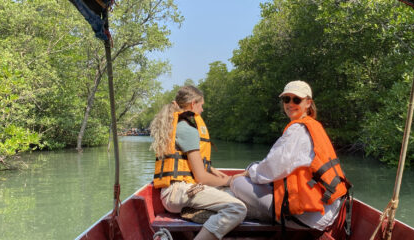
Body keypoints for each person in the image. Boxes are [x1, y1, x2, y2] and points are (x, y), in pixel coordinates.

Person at [230, 80, 350, 232]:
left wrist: (248, 172)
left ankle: (252, 211)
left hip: (309, 217)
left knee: (237, 182)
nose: (290, 103)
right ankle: (257, 212)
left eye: (296, 99)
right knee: (257, 173)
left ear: (308, 103)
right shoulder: (314, 126)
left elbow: (269, 170)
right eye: (286, 99)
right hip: (331, 211)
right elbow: (276, 166)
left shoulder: (297, 130)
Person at [149, 85, 247, 240]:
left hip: (174, 192)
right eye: (201, 106)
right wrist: (231, 180)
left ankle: (200, 214)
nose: (202, 111)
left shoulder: (177, 126)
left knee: (235, 197)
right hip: (178, 193)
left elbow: (186, 163)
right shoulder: (187, 130)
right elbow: (201, 177)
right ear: (193, 104)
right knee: (237, 208)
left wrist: (212, 169)